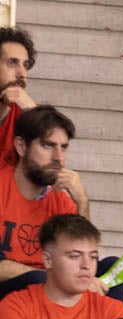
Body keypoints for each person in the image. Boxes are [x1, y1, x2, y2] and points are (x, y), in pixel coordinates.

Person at [0, 107, 89, 288]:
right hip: (7, 292)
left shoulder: (62, 201)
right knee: (37, 280)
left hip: (48, 290)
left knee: (113, 266)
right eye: (48, 145)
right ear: (21, 146)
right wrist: (48, 276)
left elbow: (81, 260)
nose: (58, 158)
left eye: (63, 147)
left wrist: (82, 201)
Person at [0, 28, 34, 164]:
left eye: (25, 65)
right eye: (12, 63)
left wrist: (32, 111)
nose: (22, 74)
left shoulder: (29, 111)